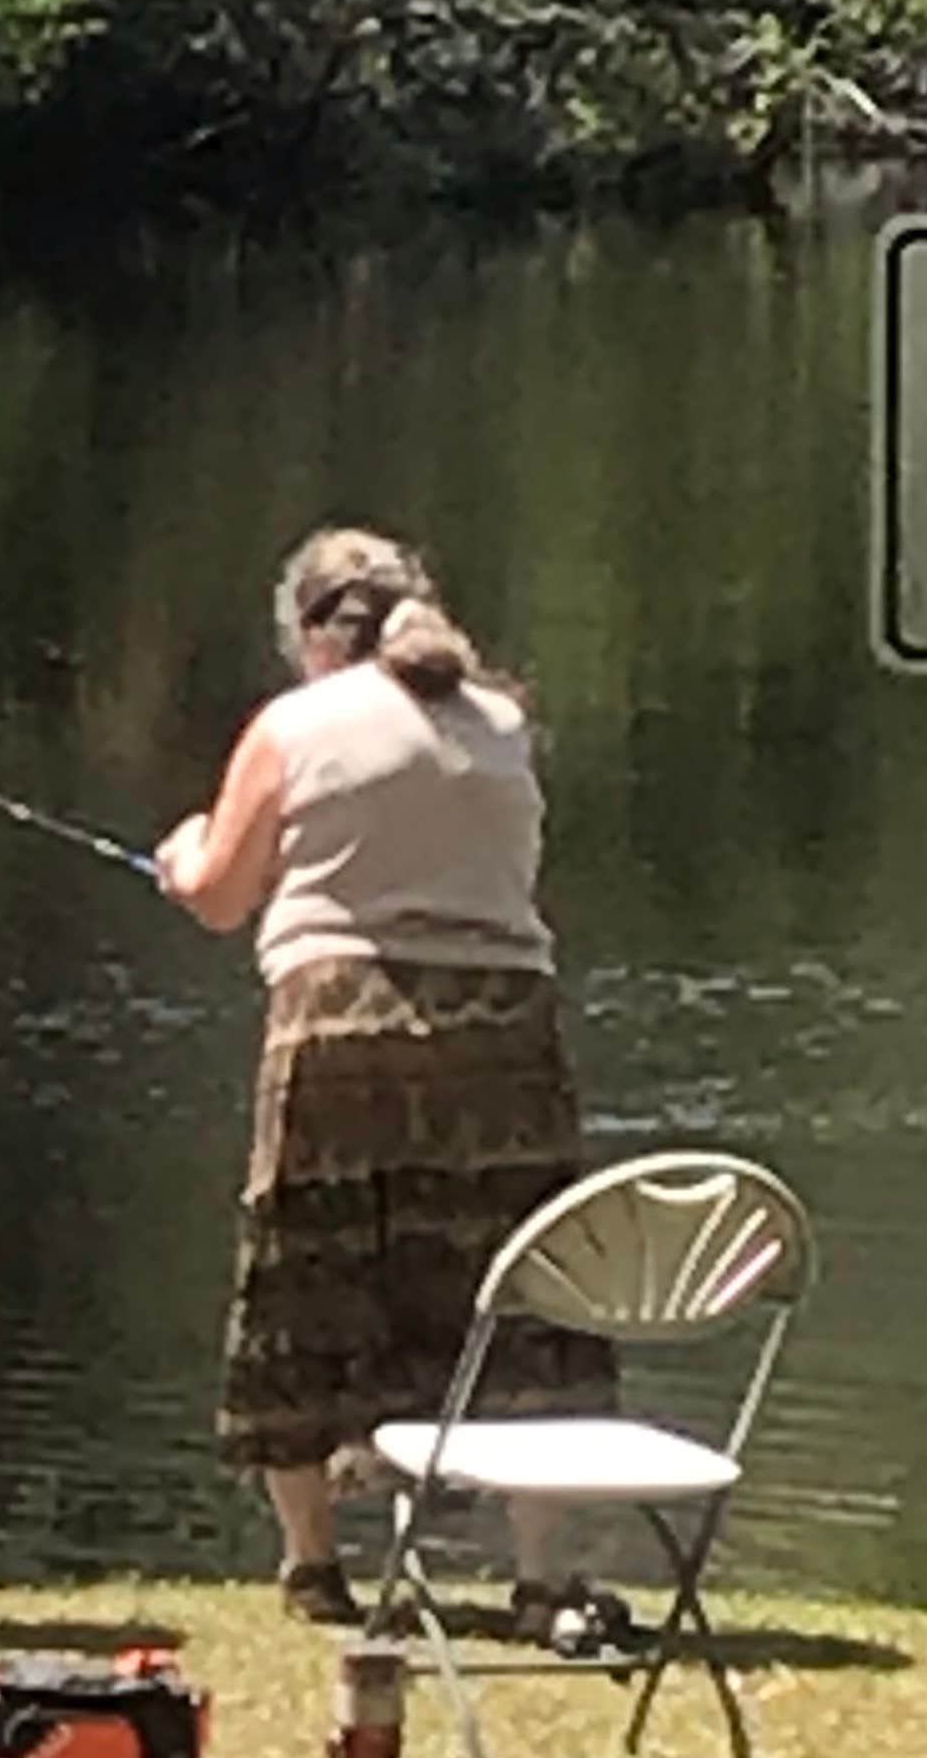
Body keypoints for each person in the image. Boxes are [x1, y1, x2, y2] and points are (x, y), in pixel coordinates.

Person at [155, 525, 617, 1635]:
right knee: (525, 1279)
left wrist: (179, 857)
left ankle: (315, 1563)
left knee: (306, 1268)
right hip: (504, 1031)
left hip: (340, 1017)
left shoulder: (293, 725)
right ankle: (544, 1570)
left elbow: (222, 897)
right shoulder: (503, 723)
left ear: (314, 635)